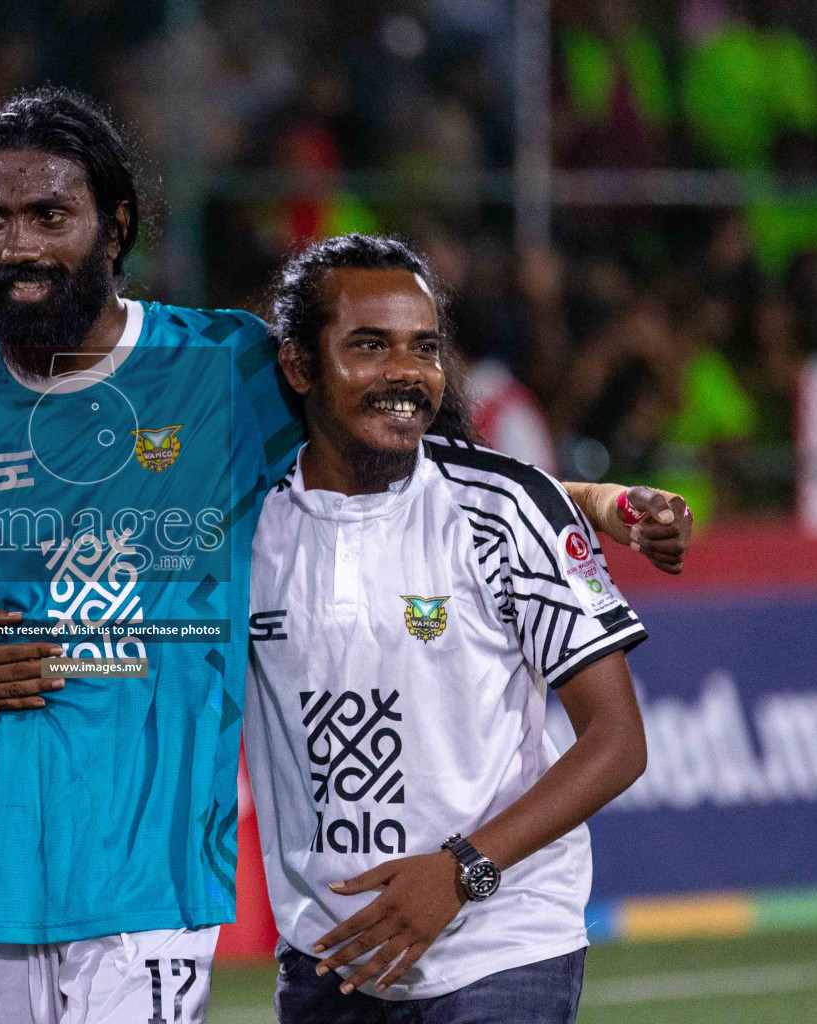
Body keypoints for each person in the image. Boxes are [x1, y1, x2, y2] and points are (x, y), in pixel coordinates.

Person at [0, 90, 688, 1024]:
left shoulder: (224, 370)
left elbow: (393, 426)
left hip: (150, 892)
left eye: (50, 215)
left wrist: (593, 502)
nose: (20, 245)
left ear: (115, 229)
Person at [251, 234, 655, 1022]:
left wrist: (461, 871)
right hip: (330, 960)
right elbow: (142, 652)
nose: (405, 372)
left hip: (502, 940)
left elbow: (617, 742)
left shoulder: (502, 509)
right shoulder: (245, 525)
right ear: (299, 366)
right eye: (369, 346)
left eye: (424, 348)